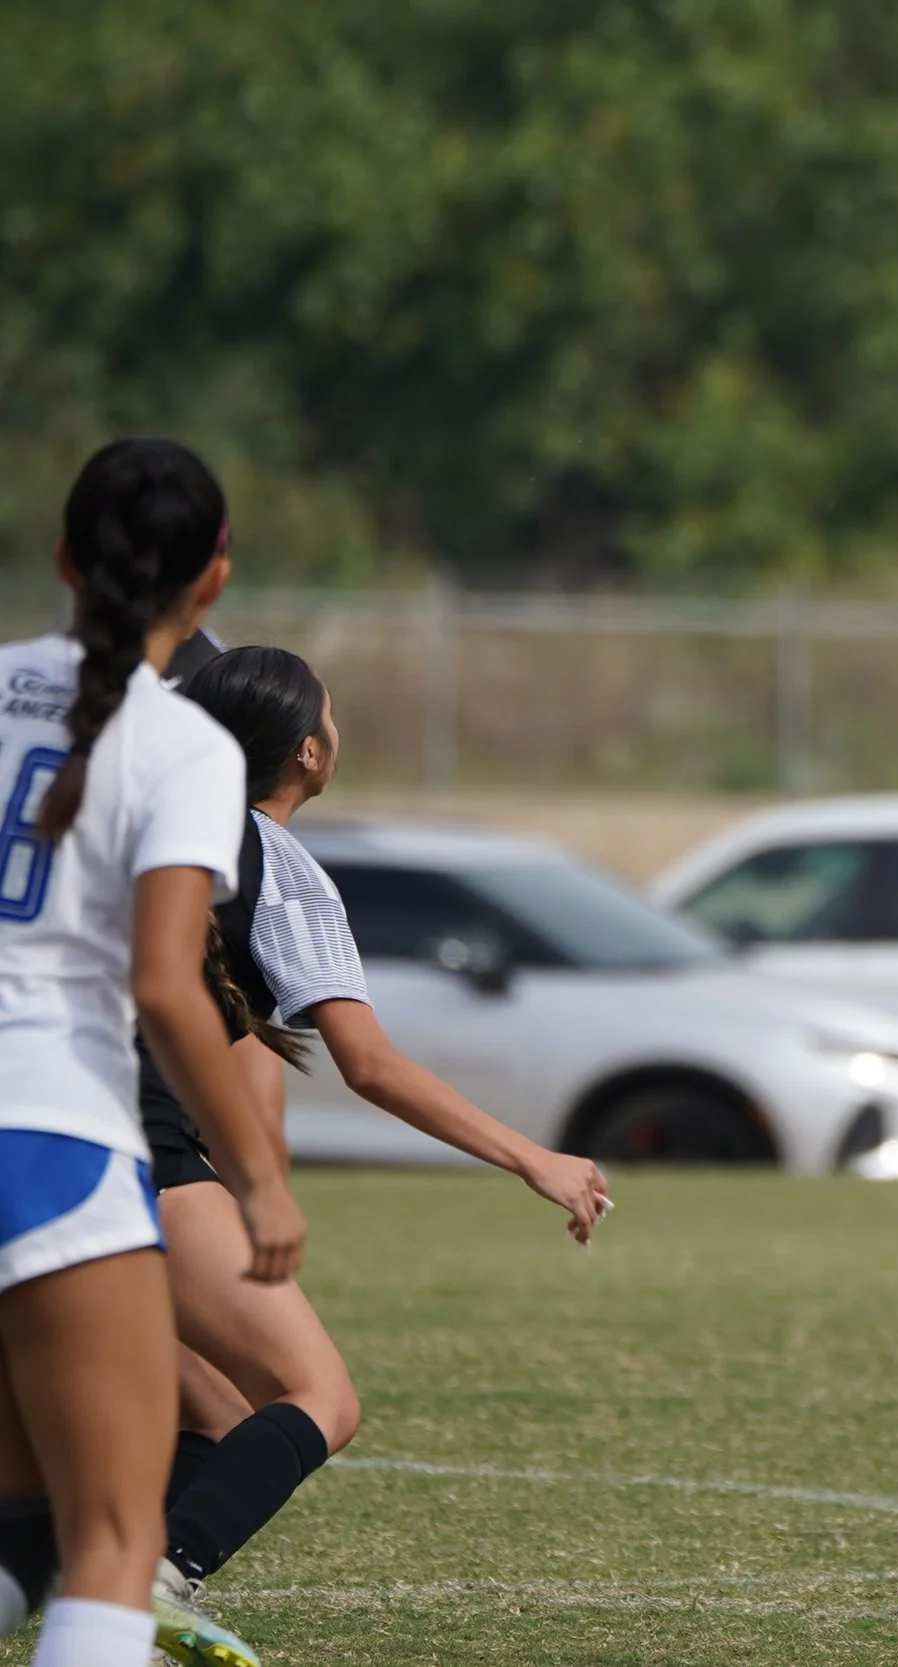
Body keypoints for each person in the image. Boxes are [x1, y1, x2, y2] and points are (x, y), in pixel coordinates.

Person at [130, 645, 611, 1600]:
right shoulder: (279, 866)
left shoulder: (128, 825)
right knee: (319, 1397)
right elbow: (372, 1065)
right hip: (121, 1143)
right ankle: (150, 1581)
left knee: (219, 1414)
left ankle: (116, 1586)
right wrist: (532, 1156)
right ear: (310, 752)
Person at [0, 438, 306, 1667]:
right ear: (216, 576)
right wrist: (259, 1175)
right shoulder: (184, 748)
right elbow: (166, 986)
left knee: (19, 1516)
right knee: (117, 1539)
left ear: (65, 557)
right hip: (52, 1135)